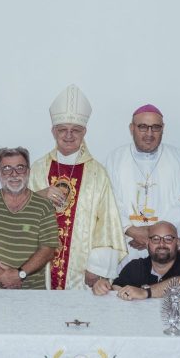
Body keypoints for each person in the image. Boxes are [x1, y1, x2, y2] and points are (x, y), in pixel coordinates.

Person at [29, 84, 125, 290]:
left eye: (76, 130)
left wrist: (97, 267)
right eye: (63, 129)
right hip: (40, 267)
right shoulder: (38, 169)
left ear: (85, 132)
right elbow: (20, 213)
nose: (69, 135)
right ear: (53, 131)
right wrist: (39, 196)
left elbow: (107, 222)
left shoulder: (97, 173)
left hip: (81, 272)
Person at [105, 104, 180, 264]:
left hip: (165, 246)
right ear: (132, 128)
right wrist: (130, 230)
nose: (149, 134)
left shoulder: (178, 159)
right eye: (143, 127)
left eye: (156, 128)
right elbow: (109, 200)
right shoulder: (115, 159)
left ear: (163, 129)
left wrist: (155, 235)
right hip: (127, 244)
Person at [0, 147, 59, 290]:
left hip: (32, 293)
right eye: (7, 168)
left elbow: (48, 249)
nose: (14, 174)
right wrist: (2, 275)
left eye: (20, 168)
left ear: (28, 172)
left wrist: (20, 274)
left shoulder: (44, 206)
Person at [92, 221, 180, 299]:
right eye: (155, 239)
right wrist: (103, 287)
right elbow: (117, 289)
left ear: (178, 242)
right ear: (147, 243)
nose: (161, 244)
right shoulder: (135, 267)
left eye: (168, 239)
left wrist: (145, 292)